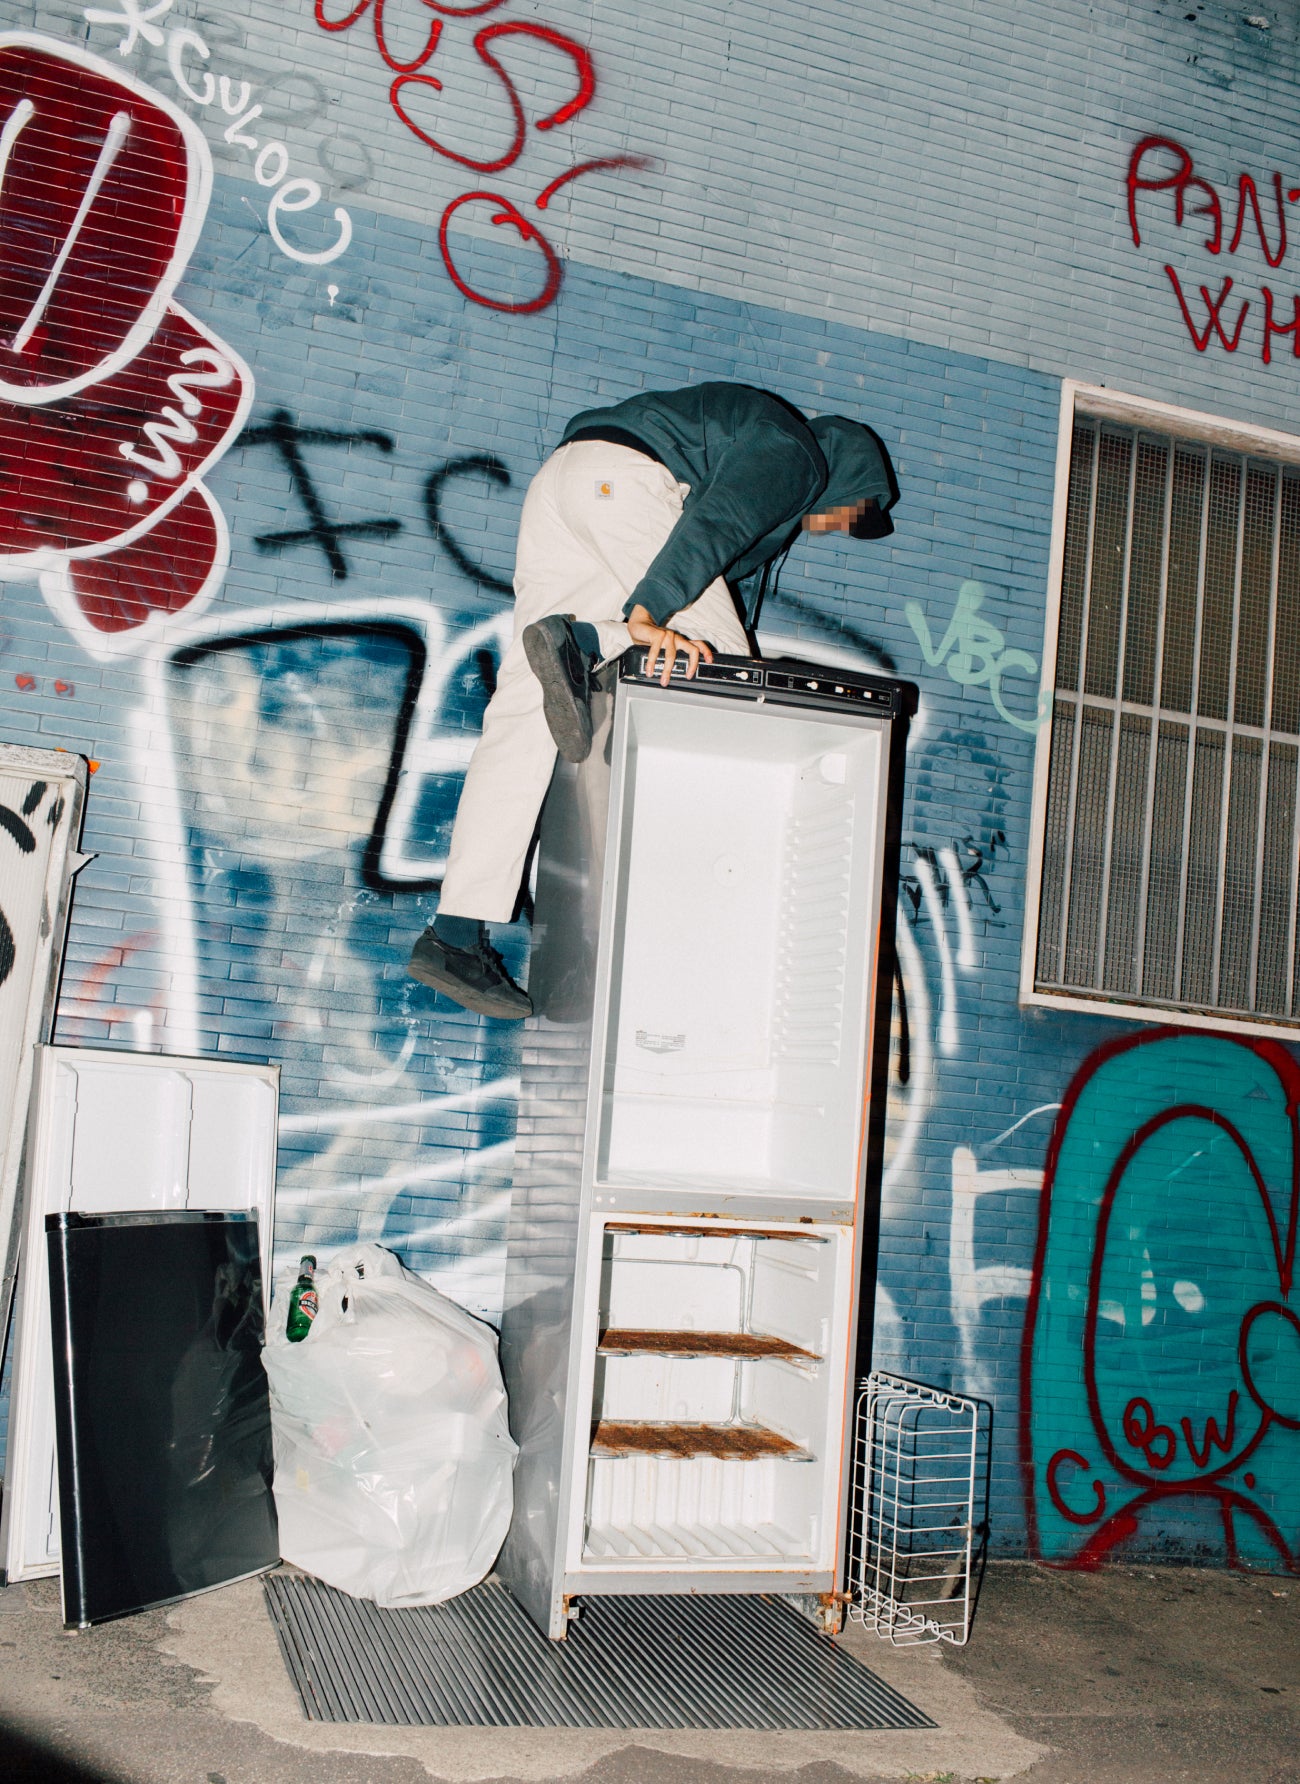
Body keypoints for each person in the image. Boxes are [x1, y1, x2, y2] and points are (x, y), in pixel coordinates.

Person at [408, 380, 899, 1018]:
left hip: (564, 484)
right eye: (850, 513)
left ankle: (454, 934)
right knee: (728, 685)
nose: (834, 528)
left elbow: (719, 556)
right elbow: (710, 527)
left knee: (524, 713)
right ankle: (590, 643)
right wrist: (648, 611)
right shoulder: (796, 453)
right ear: (846, 478)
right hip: (625, 482)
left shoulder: (756, 455)